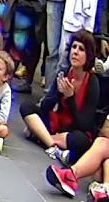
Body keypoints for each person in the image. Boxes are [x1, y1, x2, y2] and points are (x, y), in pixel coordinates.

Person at [21, 30, 100, 166]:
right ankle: (53, 145)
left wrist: (70, 98)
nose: (75, 52)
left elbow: (84, 124)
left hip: (75, 130)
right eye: (74, 47)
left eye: (81, 49)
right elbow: (45, 108)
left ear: (88, 56)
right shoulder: (64, 72)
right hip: (58, 124)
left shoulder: (92, 82)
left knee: (81, 140)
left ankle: (42, 137)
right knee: (26, 107)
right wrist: (56, 93)